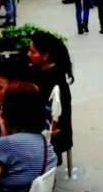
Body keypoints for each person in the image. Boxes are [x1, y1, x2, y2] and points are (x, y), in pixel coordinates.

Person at [28, 31, 73, 167]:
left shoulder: (54, 83)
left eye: (32, 52)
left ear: (45, 56)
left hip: (54, 139)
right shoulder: (39, 72)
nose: (28, 54)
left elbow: (52, 117)